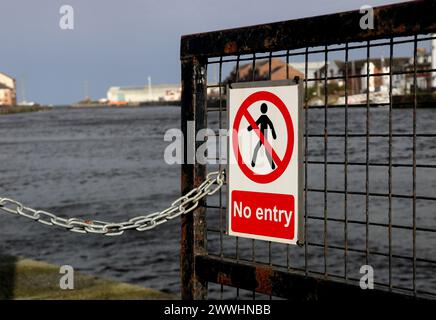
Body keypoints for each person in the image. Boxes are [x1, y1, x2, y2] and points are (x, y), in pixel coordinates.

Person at [247, 103, 277, 169]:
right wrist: (273, 134)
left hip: (263, 135)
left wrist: (250, 128)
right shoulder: (265, 118)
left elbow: (255, 124)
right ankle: (272, 165)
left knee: (258, 149)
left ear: (261, 109)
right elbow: (271, 125)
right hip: (263, 135)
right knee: (262, 150)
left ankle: (253, 163)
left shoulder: (262, 118)